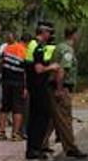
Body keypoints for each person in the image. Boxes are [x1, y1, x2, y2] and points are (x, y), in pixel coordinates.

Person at [48, 27, 88, 159]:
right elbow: (61, 70)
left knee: (53, 118)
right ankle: (71, 147)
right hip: (62, 88)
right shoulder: (67, 50)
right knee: (65, 118)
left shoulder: (59, 46)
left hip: (53, 86)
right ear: (74, 35)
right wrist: (59, 90)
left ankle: (41, 144)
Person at [26, 22, 60, 160]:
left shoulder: (32, 45)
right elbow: (38, 69)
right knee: (42, 118)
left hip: (32, 87)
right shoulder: (38, 48)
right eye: (49, 33)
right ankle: (35, 148)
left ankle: (31, 149)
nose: (50, 36)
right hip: (38, 88)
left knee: (34, 118)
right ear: (43, 33)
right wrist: (52, 67)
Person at [0, 32, 27, 141]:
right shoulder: (24, 51)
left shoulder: (7, 49)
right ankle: (15, 134)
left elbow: (0, 63)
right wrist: (25, 87)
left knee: (4, 107)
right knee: (17, 108)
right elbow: (25, 72)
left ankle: (2, 132)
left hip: (6, 81)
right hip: (18, 83)